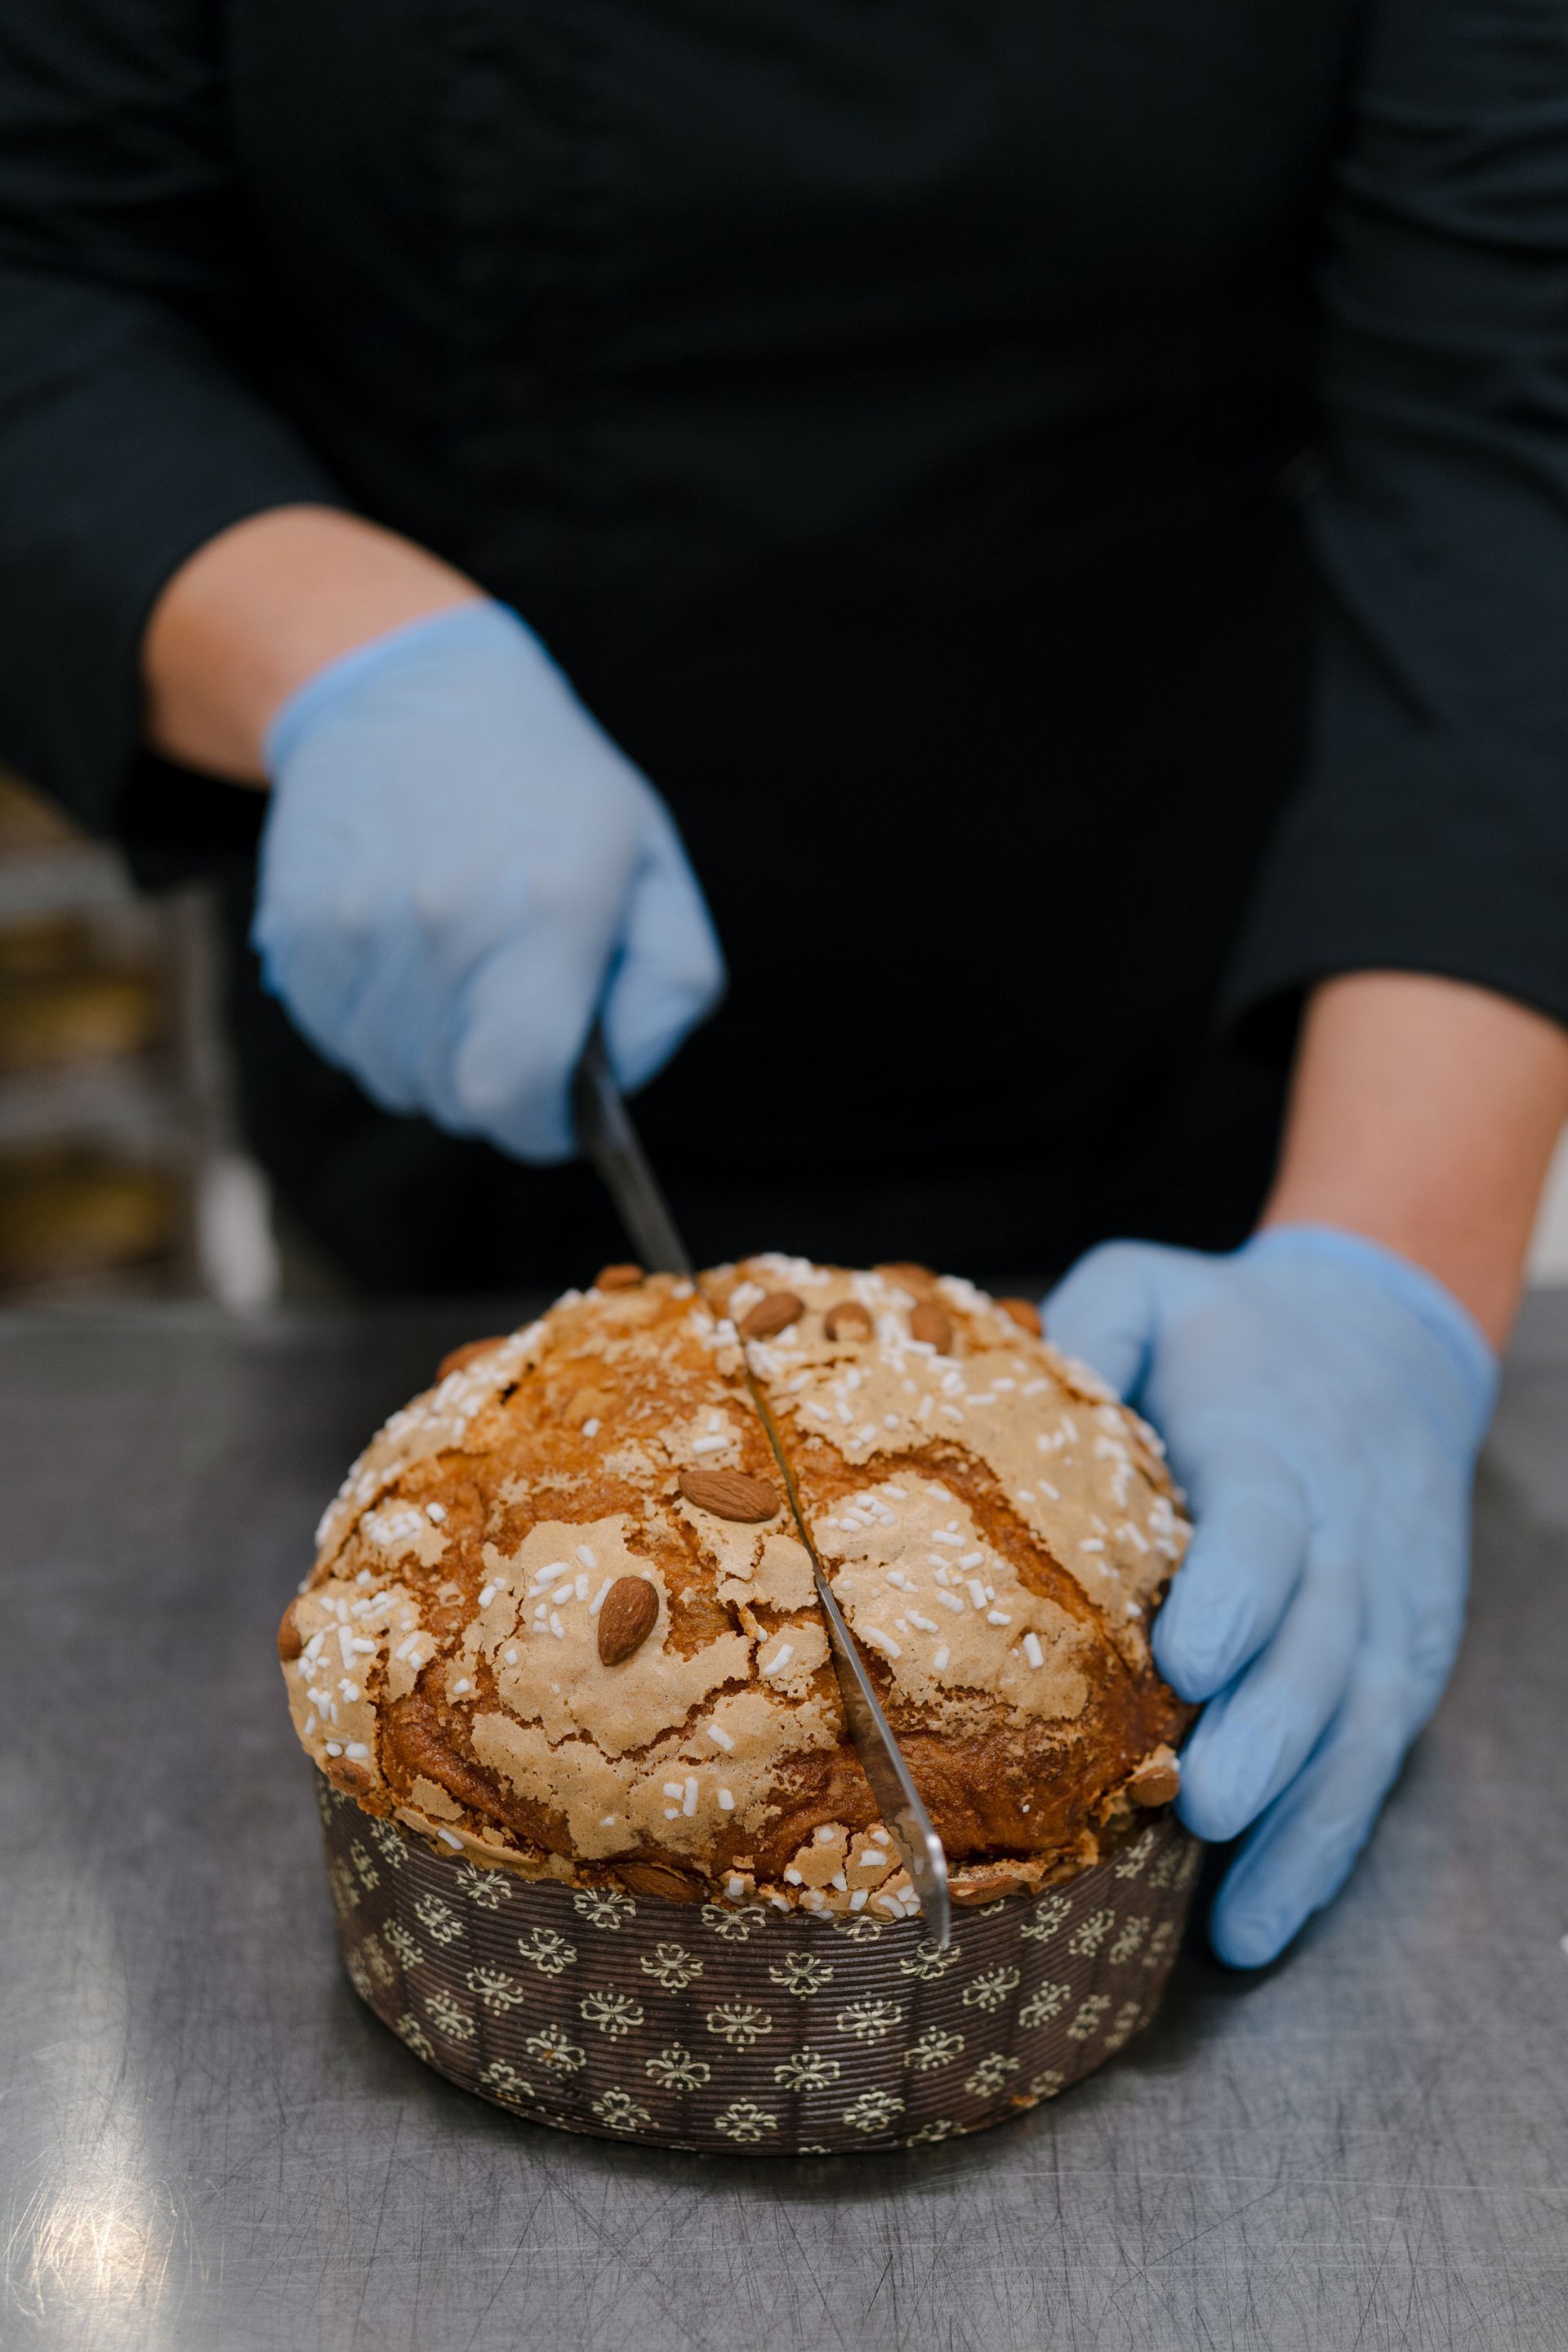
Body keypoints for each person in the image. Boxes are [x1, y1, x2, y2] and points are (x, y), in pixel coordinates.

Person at [3, 0, 1567, 1970]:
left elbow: (1513, 421)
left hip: (1178, 1083)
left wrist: (1386, 1280)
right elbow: (39, 263)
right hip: (456, 1117)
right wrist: (315, 643)